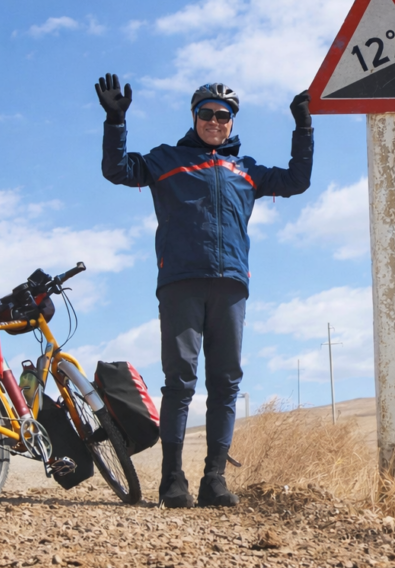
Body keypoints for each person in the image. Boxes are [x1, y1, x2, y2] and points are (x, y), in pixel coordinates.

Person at [96, 74, 313, 508]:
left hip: (231, 284)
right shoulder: (167, 160)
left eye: (223, 116)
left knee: (226, 381)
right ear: (194, 117)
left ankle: (214, 479)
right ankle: (172, 479)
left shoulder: (246, 170)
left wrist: (303, 129)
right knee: (180, 380)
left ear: (232, 122)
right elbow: (117, 170)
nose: (214, 121)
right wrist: (116, 121)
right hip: (180, 282)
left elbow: (297, 181)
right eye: (206, 114)